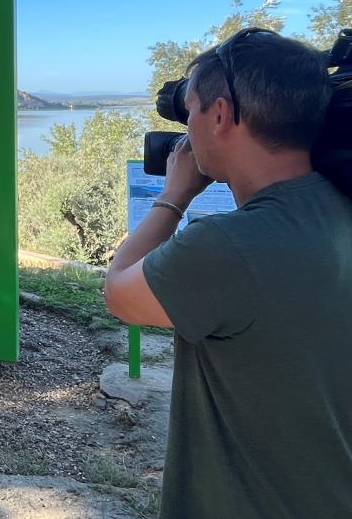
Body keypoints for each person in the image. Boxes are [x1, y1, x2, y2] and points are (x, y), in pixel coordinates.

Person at [104, 28, 352, 518]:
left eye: (190, 109)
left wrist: (174, 196)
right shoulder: (337, 205)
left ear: (220, 116)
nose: (187, 128)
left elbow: (119, 292)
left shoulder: (228, 247)